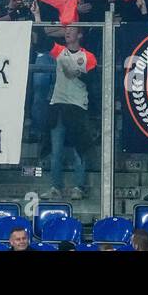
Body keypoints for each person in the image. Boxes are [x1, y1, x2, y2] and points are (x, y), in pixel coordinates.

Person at [43, 23, 96, 200]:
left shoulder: (88, 56)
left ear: (80, 35)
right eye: (66, 29)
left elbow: (93, 80)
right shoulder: (59, 51)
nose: (67, 31)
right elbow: (42, 40)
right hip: (58, 105)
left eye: (72, 29)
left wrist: (77, 73)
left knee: (78, 150)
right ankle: (54, 186)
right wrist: (37, 17)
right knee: (56, 151)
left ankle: (78, 186)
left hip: (77, 107)